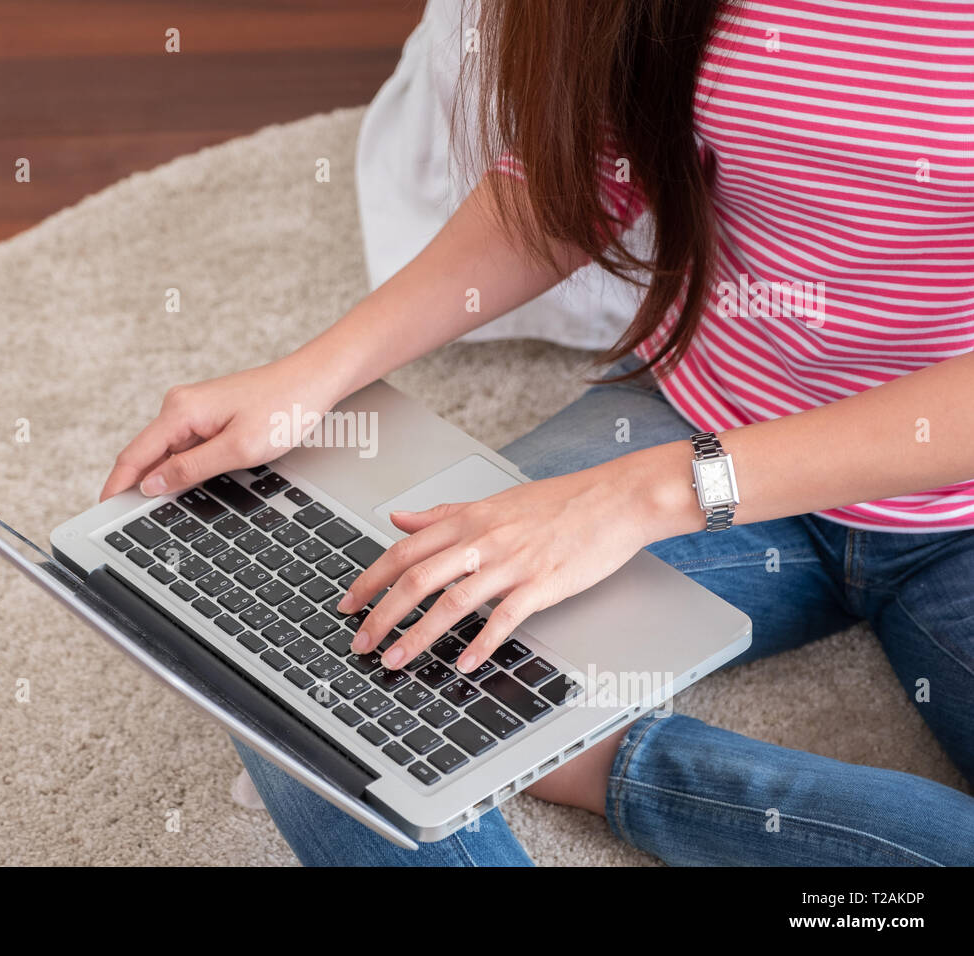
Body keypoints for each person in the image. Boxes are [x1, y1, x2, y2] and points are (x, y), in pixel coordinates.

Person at [101, 0, 974, 865]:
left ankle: (607, 764)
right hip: (715, 404)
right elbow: (584, 175)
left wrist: (641, 496)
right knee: (314, 665)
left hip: (933, 513)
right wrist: (311, 376)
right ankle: (564, 744)